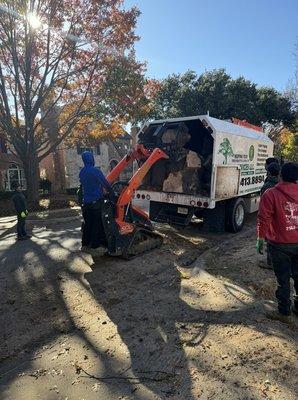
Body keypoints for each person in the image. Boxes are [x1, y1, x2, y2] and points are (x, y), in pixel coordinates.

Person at [256, 162, 298, 323]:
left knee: (283, 279)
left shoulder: (270, 193)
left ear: (280, 175)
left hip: (279, 245)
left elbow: (263, 218)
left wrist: (260, 238)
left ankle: (284, 311)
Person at [79, 151, 114, 252]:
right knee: (96, 224)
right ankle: (95, 246)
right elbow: (105, 183)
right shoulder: (95, 171)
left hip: (86, 203)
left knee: (87, 224)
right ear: (91, 159)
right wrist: (112, 193)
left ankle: (85, 244)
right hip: (96, 202)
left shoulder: (82, 172)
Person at [259, 162, 280, 269]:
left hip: (270, 218)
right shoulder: (281, 184)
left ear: (268, 172)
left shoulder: (267, 187)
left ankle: (270, 263)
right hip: (280, 217)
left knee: (270, 240)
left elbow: (264, 207)